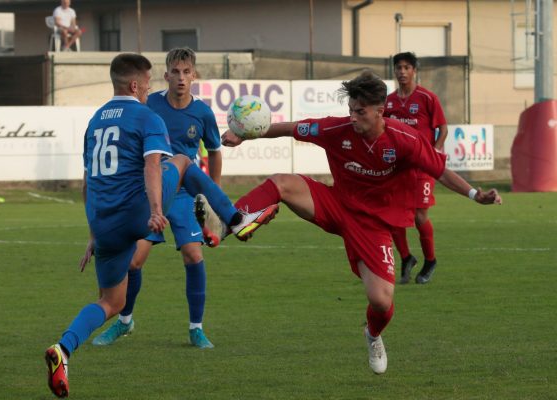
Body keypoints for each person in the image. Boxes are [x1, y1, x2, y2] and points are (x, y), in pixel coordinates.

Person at [204, 71, 501, 375]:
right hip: (337, 204)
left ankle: (372, 335)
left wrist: (476, 194)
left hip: (373, 225)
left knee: (381, 301)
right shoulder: (337, 128)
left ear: (380, 111)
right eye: (351, 110)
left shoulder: (406, 140)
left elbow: (441, 171)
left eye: (360, 112)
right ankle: (228, 221)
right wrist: (246, 135)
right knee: (281, 182)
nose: (353, 117)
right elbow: (291, 128)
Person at [44, 53, 278, 398]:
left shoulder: (95, 121)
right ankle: (236, 220)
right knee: (182, 160)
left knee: (111, 301)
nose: (151, 87)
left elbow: (87, 182)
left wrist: (94, 234)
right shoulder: (146, 115)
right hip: (139, 209)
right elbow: (153, 165)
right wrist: (155, 210)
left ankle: (62, 350)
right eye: (150, 82)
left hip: (103, 222)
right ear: (136, 85)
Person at [91, 48, 222, 349]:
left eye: (186, 72)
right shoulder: (149, 104)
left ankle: (196, 329)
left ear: (194, 76)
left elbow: (214, 151)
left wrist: (211, 194)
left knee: (194, 254)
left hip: (184, 194)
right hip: (150, 192)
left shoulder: (202, 112)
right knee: (134, 262)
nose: (180, 77)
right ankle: (125, 322)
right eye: (175, 72)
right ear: (166, 75)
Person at [384, 52, 448, 284]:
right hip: (397, 167)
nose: (402, 71)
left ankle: (430, 260)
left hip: (422, 166)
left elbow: (442, 128)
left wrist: (436, 150)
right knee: (392, 216)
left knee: (420, 215)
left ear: (414, 70)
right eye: (398, 67)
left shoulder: (427, 98)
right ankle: (406, 257)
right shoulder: (389, 102)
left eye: (406, 67)